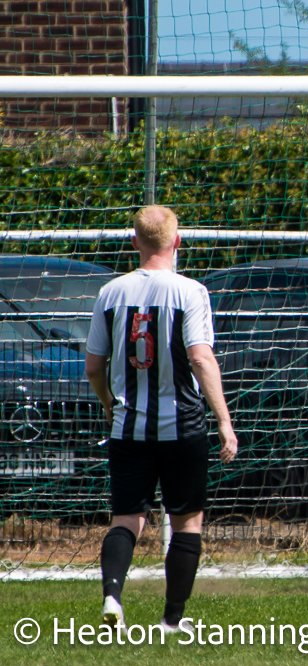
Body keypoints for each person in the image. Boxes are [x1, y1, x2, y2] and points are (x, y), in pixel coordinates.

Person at [85, 205, 238, 632]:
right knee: (187, 521)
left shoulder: (110, 292)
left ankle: (113, 597)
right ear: (177, 242)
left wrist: (108, 404)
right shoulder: (191, 291)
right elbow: (200, 357)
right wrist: (224, 421)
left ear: (134, 242)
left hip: (127, 426)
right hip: (182, 427)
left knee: (126, 518)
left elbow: (94, 366)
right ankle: (171, 621)